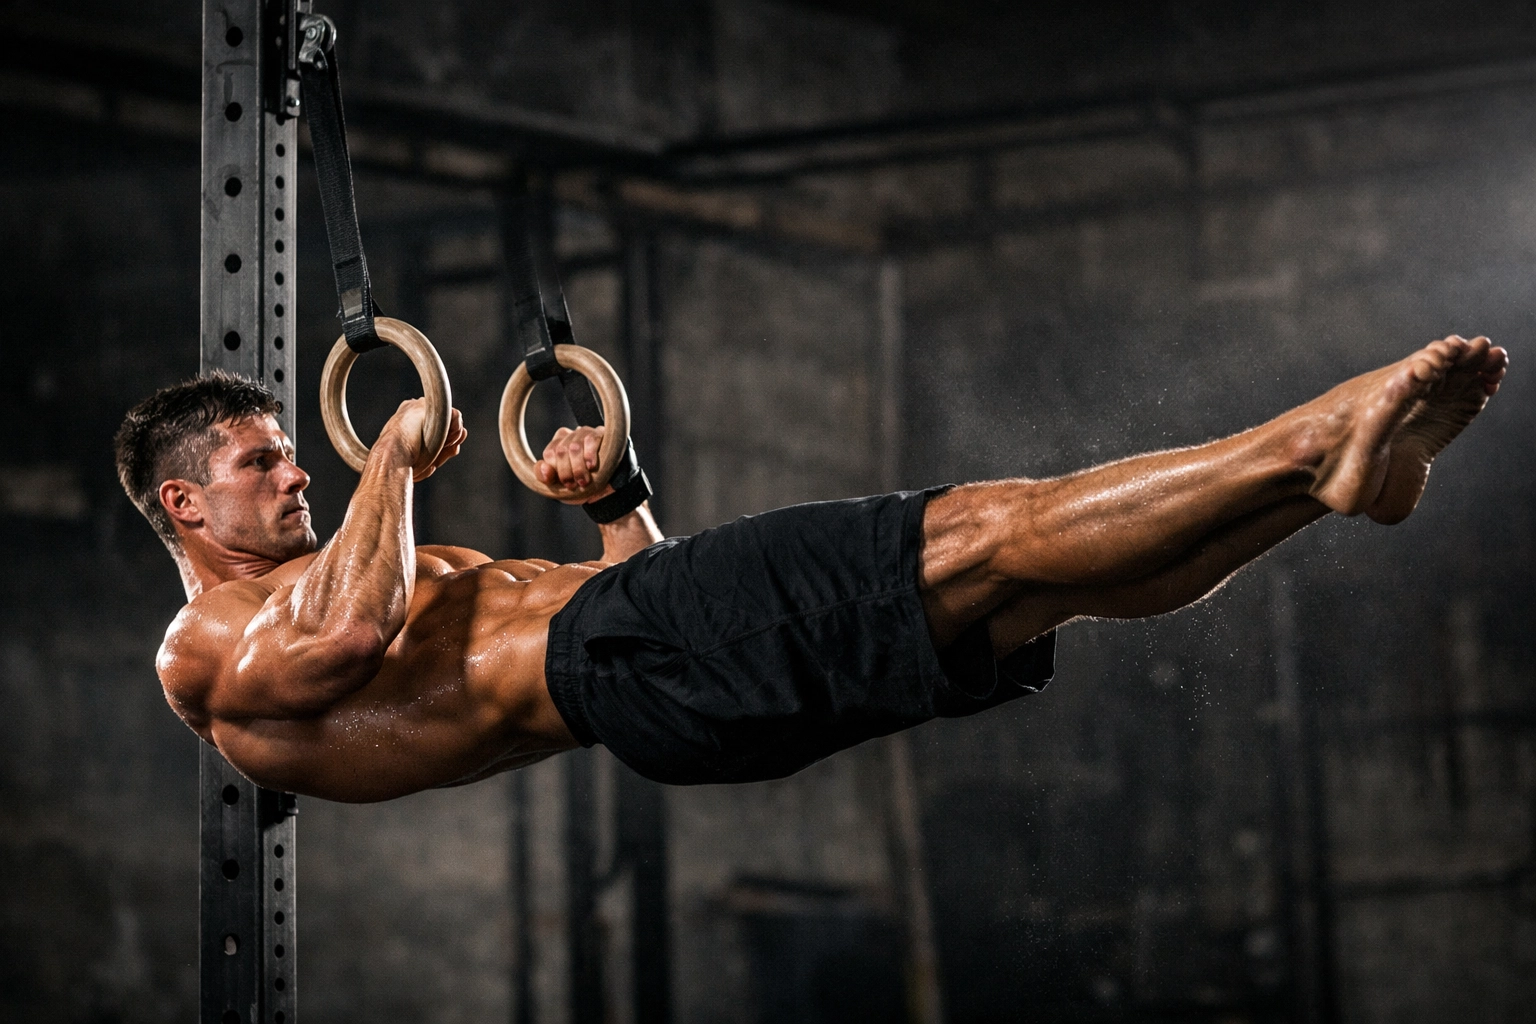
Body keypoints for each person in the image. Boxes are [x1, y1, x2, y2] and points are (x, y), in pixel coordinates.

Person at [114, 336, 1507, 801]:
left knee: (1037, 586)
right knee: (992, 526)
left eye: (299, 453)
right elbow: (353, 639)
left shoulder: (362, 561)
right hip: (624, 671)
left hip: (650, 677)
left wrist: (618, 506)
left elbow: (640, 605)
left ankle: (1322, 489)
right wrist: (391, 463)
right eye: (261, 461)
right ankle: (1309, 435)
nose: (297, 471)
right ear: (186, 501)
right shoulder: (206, 656)